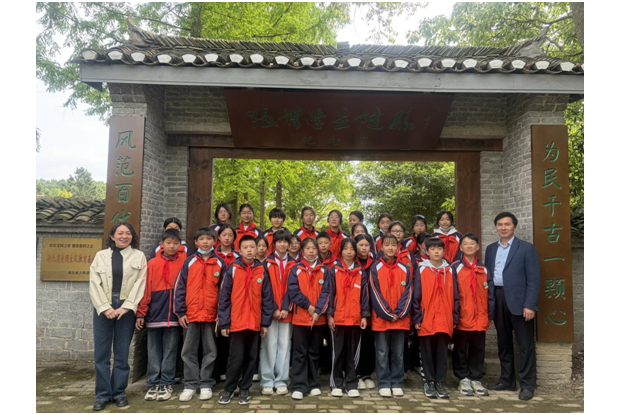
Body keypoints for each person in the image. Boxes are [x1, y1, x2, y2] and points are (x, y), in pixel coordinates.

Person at [89, 222, 147, 411]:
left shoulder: (139, 256)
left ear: (132, 236)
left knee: (122, 353)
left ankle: (119, 392)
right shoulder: (100, 256)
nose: (124, 236)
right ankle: (102, 395)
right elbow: (94, 283)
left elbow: (141, 283)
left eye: (128, 233)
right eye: (120, 233)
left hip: (126, 309)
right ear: (112, 236)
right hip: (103, 307)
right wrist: (105, 307)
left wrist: (128, 306)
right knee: (102, 354)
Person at [485, 212, 540, 401]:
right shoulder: (491, 249)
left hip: (520, 302)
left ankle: (527, 385)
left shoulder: (526, 248)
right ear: (496, 227)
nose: (503, 227)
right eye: (500, 224)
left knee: (525, 345)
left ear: (514, 226)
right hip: (498, 298)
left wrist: (529, 305)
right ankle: (507, 380)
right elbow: (489, 277)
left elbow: (533, 279)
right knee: (504, 343)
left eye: (507, 224)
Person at [218, 235, 274, 405]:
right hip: (236, 322)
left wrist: (265, 323)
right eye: (245, 247)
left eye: (252, 247)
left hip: (255, 322)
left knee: (251, 357)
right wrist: (224, 322)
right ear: (239, 250)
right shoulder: (233, 268)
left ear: (257, 249)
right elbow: (224, 297)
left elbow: (267, 298)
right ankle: (229, 389)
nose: (249, 250)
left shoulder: (262, 270)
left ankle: (245, 388)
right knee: (235, 358)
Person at [174, 227, 226, 402]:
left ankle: (206, 384)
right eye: (202, 239)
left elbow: (224, 291)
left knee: (210, 351)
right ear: (196, 242)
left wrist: (221, 313)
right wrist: (181, 312)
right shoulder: (188, 262)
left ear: (215, 242)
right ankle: (189, 384)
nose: (205, 242)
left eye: (208, 239)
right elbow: (180, 288)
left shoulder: (220, 263)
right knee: (188, 350)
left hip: (211, 315)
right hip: (191, 314)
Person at [136, 229, 185, 402]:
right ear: (161, 244)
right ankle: (153, 383)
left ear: (180, 245)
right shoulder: (152, 263)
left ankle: (166, 383)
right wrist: (141, 312)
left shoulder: (184, 263)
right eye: (168, 243)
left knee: (170, 350)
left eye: (176, 243)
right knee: (153, 350)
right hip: (155, 313)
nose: (172, 246)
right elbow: (145, 289)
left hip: (174, 315)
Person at [318, 238, 369, 398]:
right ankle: (336, 384)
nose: (349, 252)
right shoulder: (333, 270)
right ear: (340, 251)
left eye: (351, 249)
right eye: (346, 248)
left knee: (353, 353)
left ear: (355, 252)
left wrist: (364, 315)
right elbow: (329, 293)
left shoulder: (360, 272)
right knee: (337, 353)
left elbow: (364, 296)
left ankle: (352, 383)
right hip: (338, 318)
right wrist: (330, 315)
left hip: (355, 319)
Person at [412, 237, 459, 400]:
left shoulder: (450, 270)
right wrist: (417, 317)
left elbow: (456, 296)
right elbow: (416, 296)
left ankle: (440, 382)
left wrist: (454, 317)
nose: (436, 252)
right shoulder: (421, 269)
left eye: (439, 249)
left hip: (445, 319)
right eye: (433, 249)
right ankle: (429, 382)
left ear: (444, 251)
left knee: (442, 353)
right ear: (427, 251)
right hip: (427, 318)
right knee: (426, 352)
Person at [286, 237, 330, 400]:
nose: (311, 251)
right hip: (300, 317)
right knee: (299, 352)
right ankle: (298, 385)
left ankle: (313, 384)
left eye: (314, 248)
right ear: (302, 250)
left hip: (318, 319)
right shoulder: (296, 268)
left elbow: (327, 292)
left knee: (314, 351)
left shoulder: (324, 270)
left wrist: (317, 311)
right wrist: (309, 307)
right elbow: (293, 291)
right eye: (308, 248)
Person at [368, 234, 412, 398]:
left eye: (394, 245)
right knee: (381, 352)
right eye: (387, 245)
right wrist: (387, 313)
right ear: (381, 248)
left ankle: (396, 382)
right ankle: (384, 383)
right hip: (381, 319)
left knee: (398, 353)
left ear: (398, 247)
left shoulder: (404, 268)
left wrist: (400, 312)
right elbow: (374, 292)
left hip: (400, 319)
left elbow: (408, 292)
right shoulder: (375, 267)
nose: (390, 248)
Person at [451, 233, 494, 396]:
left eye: (472, 243)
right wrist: (454, 315)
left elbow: (490, 294)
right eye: (465, 244)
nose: (469, 246)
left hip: (480, 317)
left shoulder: (484, 269)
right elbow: (451, 294)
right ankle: (462, 378)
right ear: (461, 248)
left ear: (477, 247)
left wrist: (490, 315)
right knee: (460, 349)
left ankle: (475, 378)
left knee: (478, 349)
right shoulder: (455, 267)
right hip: (462, 316)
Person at [261, 230, 296, 396]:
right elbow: (265, 288)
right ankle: (267, 381)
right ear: (274, 244)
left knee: (284, 345)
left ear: (289, 244)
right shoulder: (266, 263)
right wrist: (274, 308)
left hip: (287, 312)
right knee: (269, 345)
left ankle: (282, 380)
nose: (282, 244)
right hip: (270, 311)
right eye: (279, 241)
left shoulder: (294, 263)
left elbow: (293, 288)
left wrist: (285, 307)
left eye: (285, 242)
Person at [353, 234, 376, 390]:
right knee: (355, 342)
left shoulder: (374, 264)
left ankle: (367, 374)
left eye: (366, 245)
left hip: (371, 310)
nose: (363, 248)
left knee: (368, 342)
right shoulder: (351, 263)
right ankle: (356, 374)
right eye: (360, 245)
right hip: (354, 309)